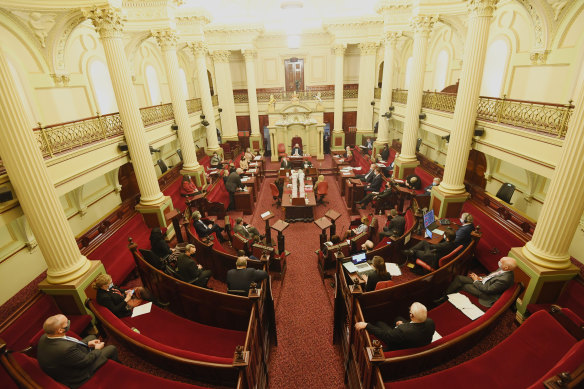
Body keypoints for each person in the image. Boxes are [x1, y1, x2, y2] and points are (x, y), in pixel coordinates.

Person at [37, 314, 119, 388]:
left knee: (92, 337)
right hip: (78, 375)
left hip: (68, 360)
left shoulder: (45, 336)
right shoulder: (66, 349)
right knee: (111, 349)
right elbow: (86, 361)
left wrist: (88, 344)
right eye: (67, 322)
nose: (69, 322)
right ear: (60, 330)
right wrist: (97, 349)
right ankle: (116, 369)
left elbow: (69, 343)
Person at [435, 256, 517, 307]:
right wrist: (480, 278)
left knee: (464, 286)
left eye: (501, 262)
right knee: (459, 278)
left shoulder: (505, 279)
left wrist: (476, 281)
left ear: (506, 268)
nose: (499, 263)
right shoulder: (504, 268)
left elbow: (487, 290)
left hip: (487, 294)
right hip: (483, 283)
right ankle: (445, 296)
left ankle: (447, 301)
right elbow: (491, 276)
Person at [354, 302, 435, 351]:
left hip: (399, 345)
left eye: (410, 310)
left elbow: (386, 336)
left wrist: (367, 325)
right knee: (398, 318)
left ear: (411, 315)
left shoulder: (402, 331)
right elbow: (416, 327)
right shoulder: (430, 322)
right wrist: (404, 325)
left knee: (380, 323)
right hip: (417, 340)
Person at [93, 273, 159, 317]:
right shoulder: (104, 297)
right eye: (110, 283)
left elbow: (117, 289)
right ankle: (157, 306)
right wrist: (126, 300)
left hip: (125, 298)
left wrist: (126, 291)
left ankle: (157, 303)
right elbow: (115, 310)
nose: (112, 284)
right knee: (142, 293)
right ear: (104, 286)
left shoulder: (108, 287)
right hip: (124, 306)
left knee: (140, 289)